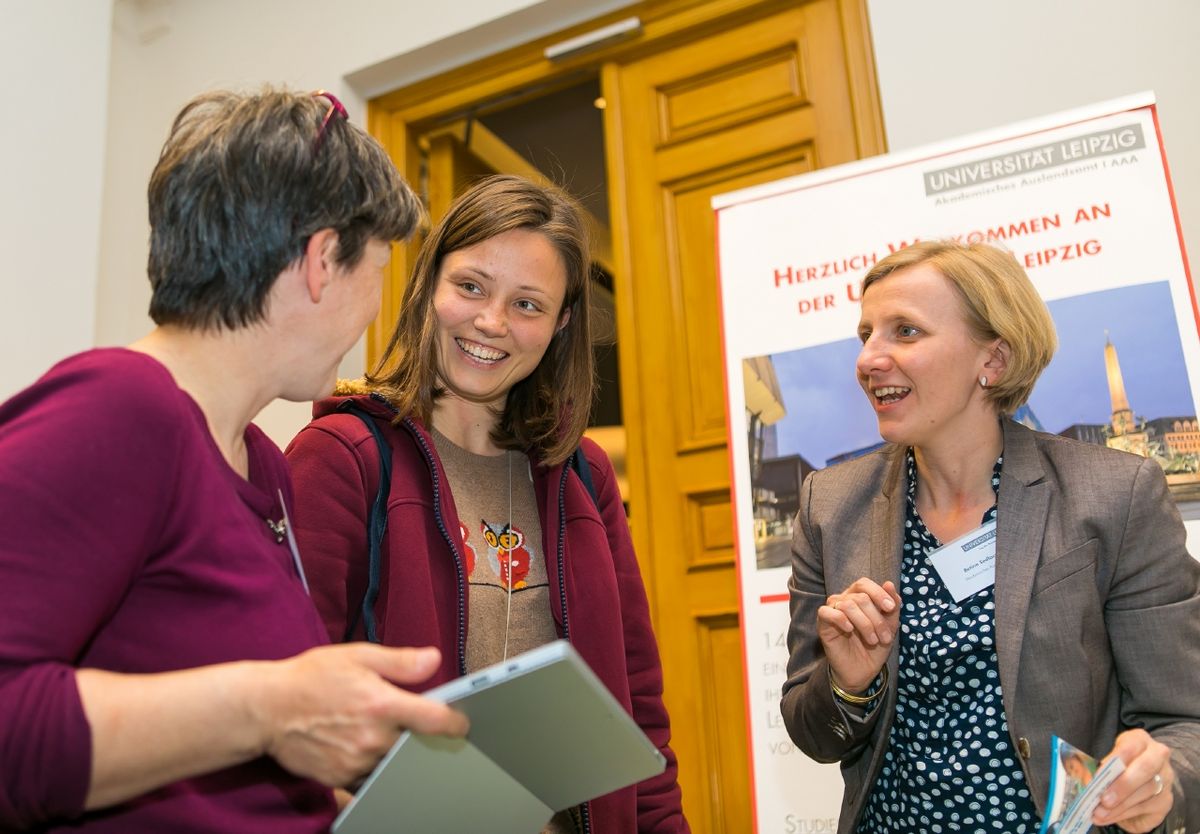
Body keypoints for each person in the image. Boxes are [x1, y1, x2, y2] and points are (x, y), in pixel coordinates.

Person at [0, 88, 467, 832]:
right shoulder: (117, 413)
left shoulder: (264, 464)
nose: (378, 309)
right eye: (379, 270)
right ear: (321, 262)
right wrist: (267, 708)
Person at [285, 174, 689, 833]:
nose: (491, 322)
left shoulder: (582, 474)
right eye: (471, 286)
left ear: (560, 325)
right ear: (429, 286)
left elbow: (638, 712)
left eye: (528, 304)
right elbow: (285, 703)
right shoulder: (342, 457)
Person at [780, 240, 1200, 833]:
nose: (869, 358)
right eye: (866, 333)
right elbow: (813, 732)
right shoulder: (830, 505)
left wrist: (1161, 783)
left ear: (993, 361)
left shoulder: (1114, 495)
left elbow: (1184, 722)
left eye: (904, 331)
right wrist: (848, 683)